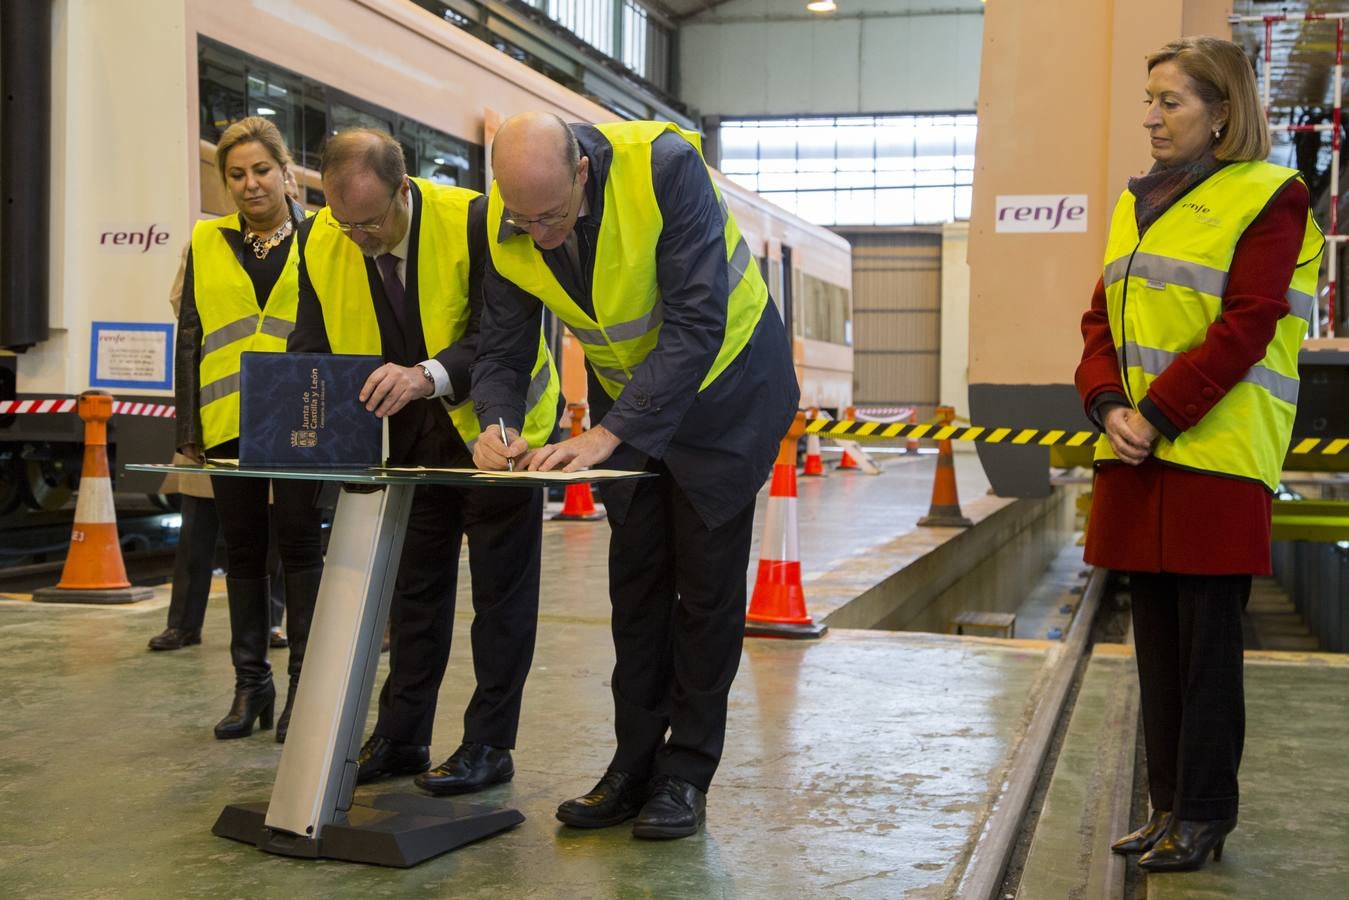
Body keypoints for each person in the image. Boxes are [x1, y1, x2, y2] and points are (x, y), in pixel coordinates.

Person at [473, 114, 799, 839]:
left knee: (705, 590)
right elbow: (501, 347)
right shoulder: (509, 217)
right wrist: (495, 423)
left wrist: (606, 434)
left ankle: (685, 774)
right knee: (638, 584)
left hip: (728, 389)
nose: (538, 234)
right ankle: (631, 766)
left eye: (552, 216)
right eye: (523, 219)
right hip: (634, 398)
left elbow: (696, 320)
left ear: (581, 171)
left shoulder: (664, 167)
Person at [1076, 37, 1321, 873]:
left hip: (1213, 455)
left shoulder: (1270, 197)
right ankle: (1166, 805)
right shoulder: (1135, 203)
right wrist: (1107, 405)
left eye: (1169, 102)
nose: (1150, 117)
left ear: (1220, 113)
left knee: (1206, 649)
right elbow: (1099, 324)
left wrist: (1156, 414)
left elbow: (1247, 323)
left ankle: (1206, 813)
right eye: (1147, 100)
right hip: (1135, 451)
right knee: (1154, 643)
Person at [288, 128, 561, 795]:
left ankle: (489, 745)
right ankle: (402, 735)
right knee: (413, 594)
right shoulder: (318, 238)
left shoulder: (474, 220)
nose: (360, 238)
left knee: (500, 597)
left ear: (403, 189)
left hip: (495, 435)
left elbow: (501, 337)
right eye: (346, 223)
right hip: (402, 443)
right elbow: (310, 345)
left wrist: (424, 376)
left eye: (372, 222)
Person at [175, 116, 324, 742]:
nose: (250, 183)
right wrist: (188, 426)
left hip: (299, 416)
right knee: (240, 549)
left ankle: (303, 691)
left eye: (261, 170)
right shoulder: (206, 240)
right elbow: (190, 335)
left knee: (299, 546)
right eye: (236, 174)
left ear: (286, 173)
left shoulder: (325, 236)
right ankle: (251, 684)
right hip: (226, 418)